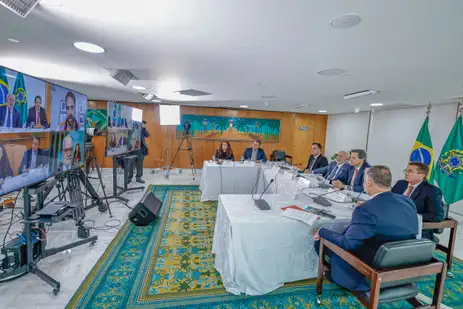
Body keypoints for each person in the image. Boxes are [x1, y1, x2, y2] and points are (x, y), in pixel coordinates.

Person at [313, 165, 418, 292]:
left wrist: (322, 231)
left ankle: (335, 275)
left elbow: (348, 244)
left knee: (320, 241)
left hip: (370, 271)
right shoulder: (407, 201)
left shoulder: (365, 209)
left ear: (369, 182)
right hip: (404, 264)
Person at [392, 162, 444, 238]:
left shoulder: (432, 191)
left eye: (410, 171)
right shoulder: (400, 184)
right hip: (393, 223)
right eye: (405, 171)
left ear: (422, 175)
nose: (406, 173)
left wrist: (411, 216)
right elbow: (389, 200)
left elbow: (437, 216)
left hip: (414, 229)